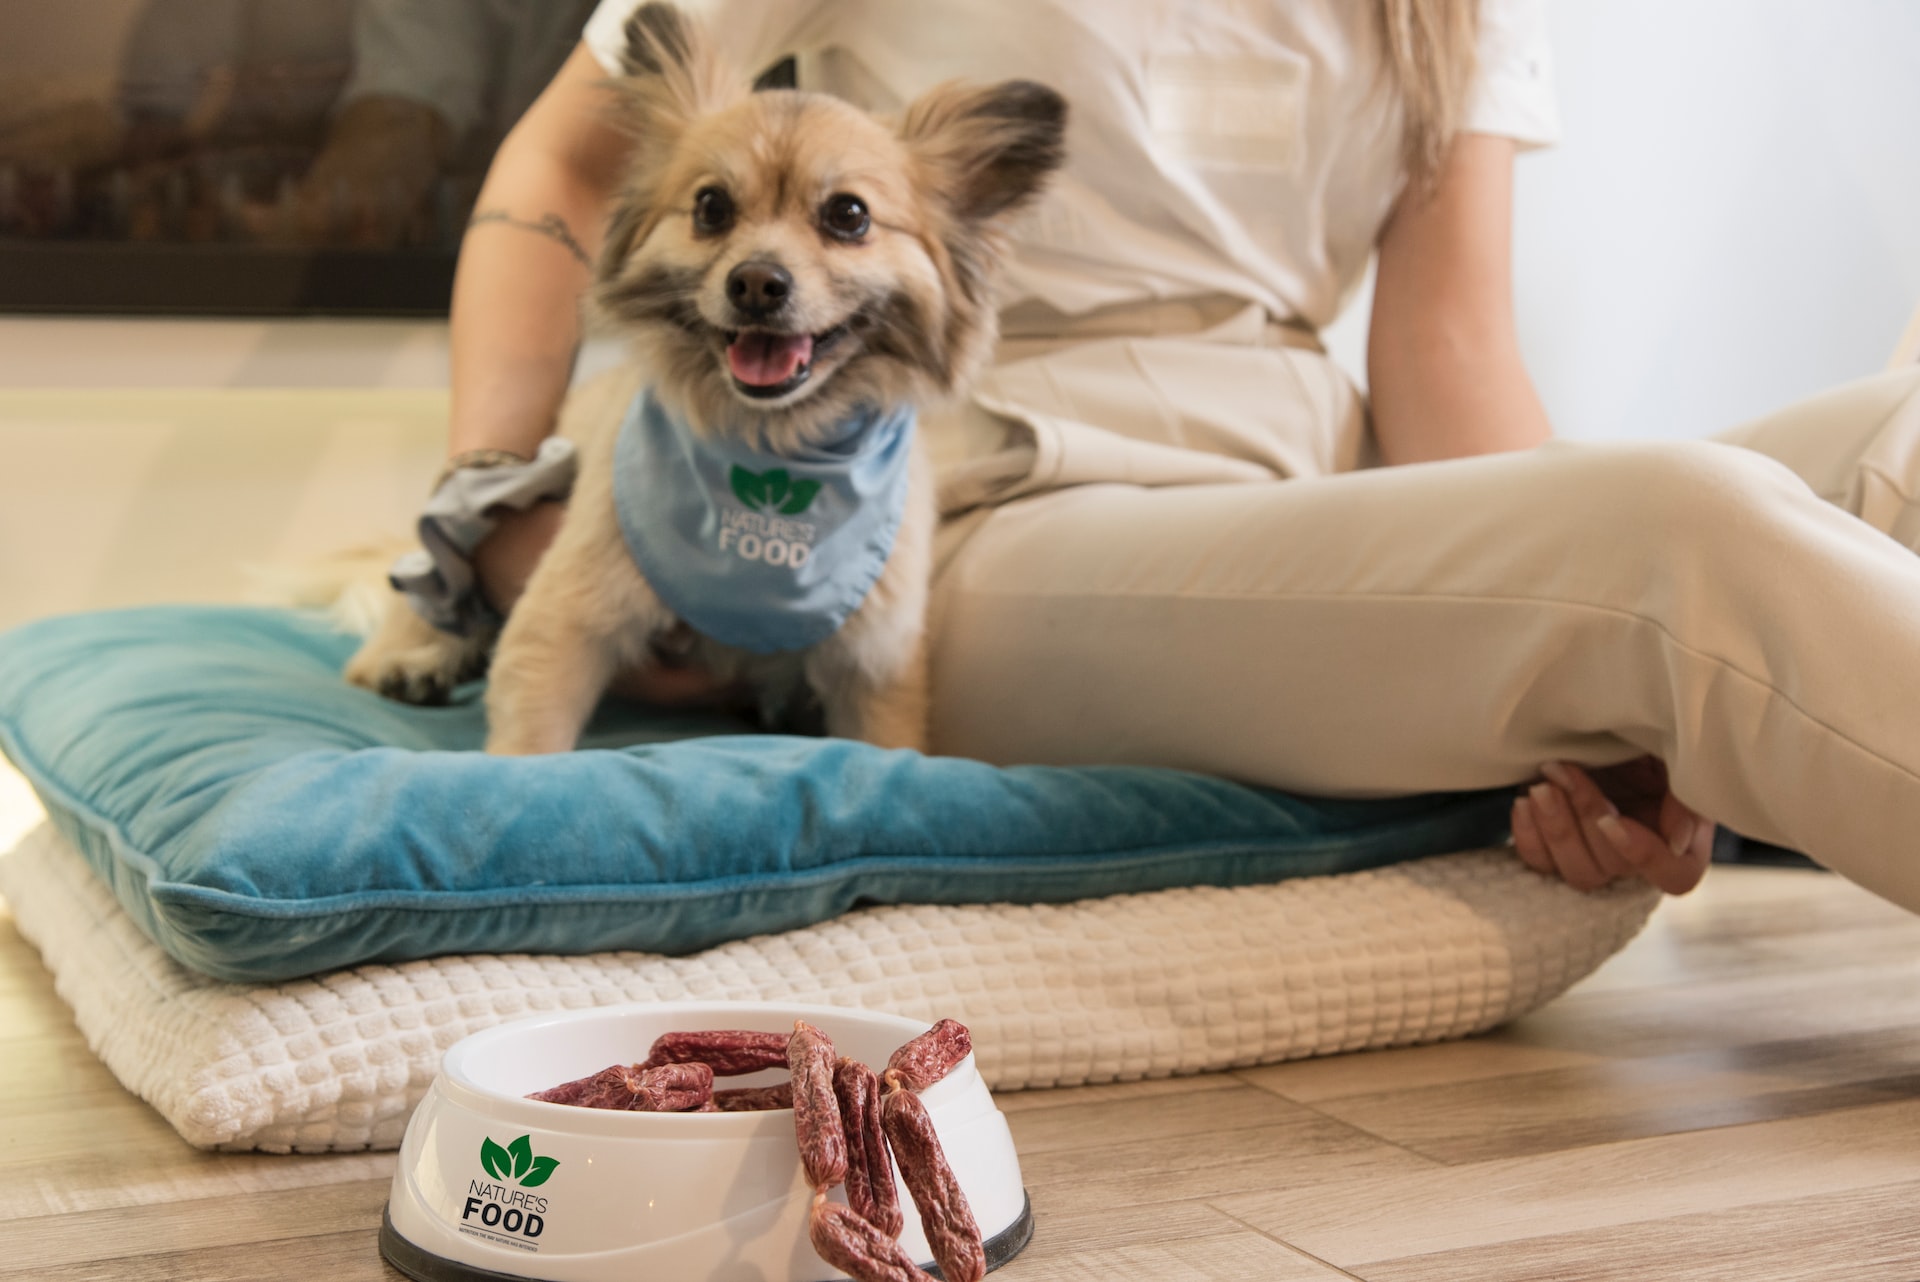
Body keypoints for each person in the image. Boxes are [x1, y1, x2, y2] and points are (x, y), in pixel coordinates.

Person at [423, 0, 1920, 913]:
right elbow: (571, 157)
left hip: (1314, 492)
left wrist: (1565, 660)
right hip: (1004, 498)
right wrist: (484, 498)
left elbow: (1446, 350)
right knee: (1682, 535)